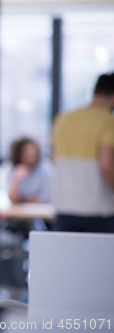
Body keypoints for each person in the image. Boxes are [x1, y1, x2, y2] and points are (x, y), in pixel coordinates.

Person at [52, 73, 114, 233]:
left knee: (68, 257)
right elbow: (106, 166)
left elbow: (54, 158)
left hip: (64, 206)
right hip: (98, 208)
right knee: (99, 258)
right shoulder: (107, 121)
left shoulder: (63, 118)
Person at [7, 137, 52, 204]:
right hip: (19, 213)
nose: (31, 153)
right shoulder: (14, 170)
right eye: (26, 151)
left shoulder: (45, 169)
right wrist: (16, 179)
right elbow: (12, 199)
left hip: (40, 212)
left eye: (33, 150)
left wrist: (21, 201)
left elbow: (42, 199)